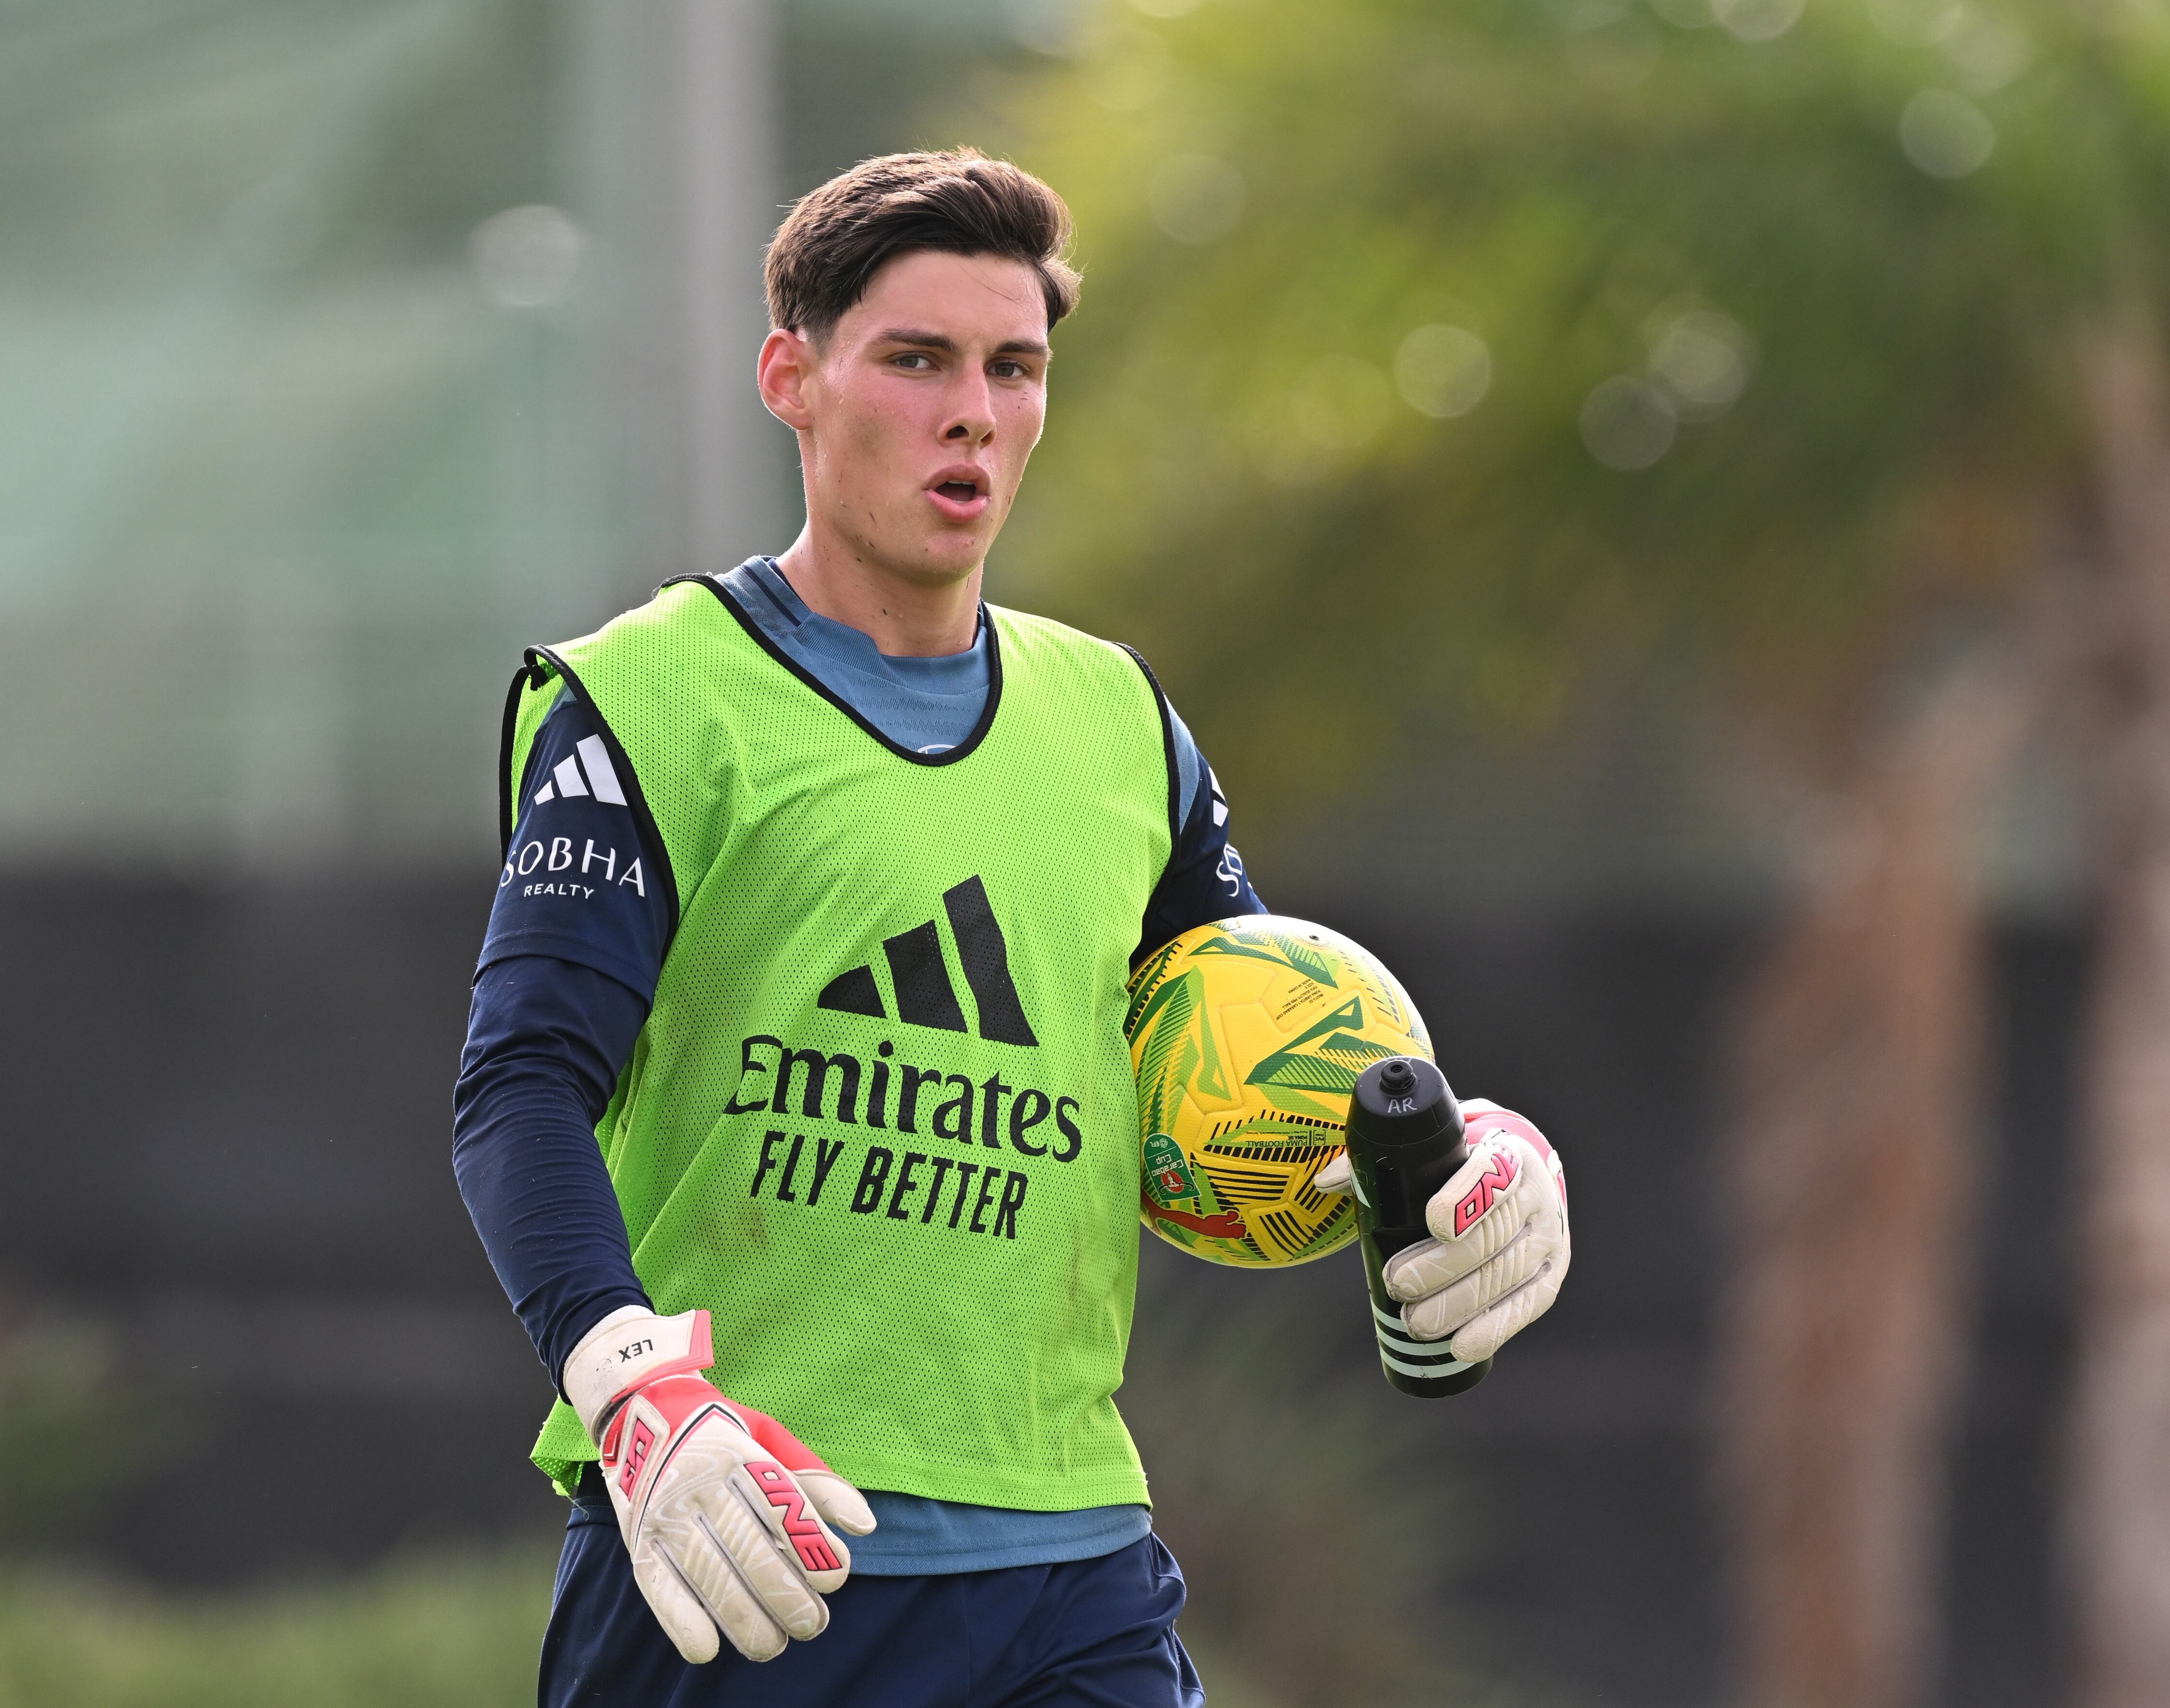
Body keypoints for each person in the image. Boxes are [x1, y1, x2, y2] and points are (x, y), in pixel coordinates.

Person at [453, 150, 1571, 1707]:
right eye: (917, 360)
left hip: (1070, 1574)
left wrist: (1448, 1167)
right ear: (792, 379)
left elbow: (1260, 1058)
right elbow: (517, 1088)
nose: (973, 411)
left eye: (1013, 368)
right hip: (744, 1549)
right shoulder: (648, 695)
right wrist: (631, 1385)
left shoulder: (1120, 722)